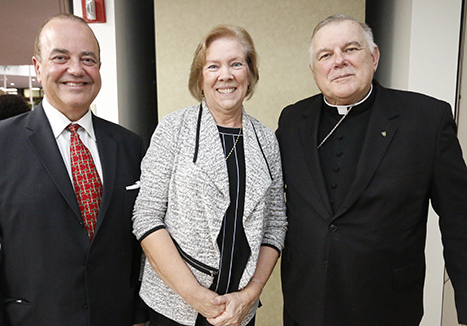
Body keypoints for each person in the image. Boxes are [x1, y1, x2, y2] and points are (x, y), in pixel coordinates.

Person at [276, 14, 467, 326]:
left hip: (386, 306)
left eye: (351, 49)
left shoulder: (426, 119)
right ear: (314, 70)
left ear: (374, 57)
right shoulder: (293, 120)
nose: (339, 61)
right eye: (326, 55)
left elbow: (460, 218)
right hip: (306, 304)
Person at [0, 14, 147, 326]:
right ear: (38, 67)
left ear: (99, 69)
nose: (76, 70)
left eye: (87, 59)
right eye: (60, 57)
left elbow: (139, 248)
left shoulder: (130, 146)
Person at [132, 25, 287, 326]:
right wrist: (194, 295)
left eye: (236, 64)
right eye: (213, 66)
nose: (225, 75)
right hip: (175, 307)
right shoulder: (173, 129)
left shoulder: (267, 140)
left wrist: (249, 295)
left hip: (239, 310)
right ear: (200, 78)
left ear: (250, 74)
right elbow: (146, 216)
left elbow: (276, 225)